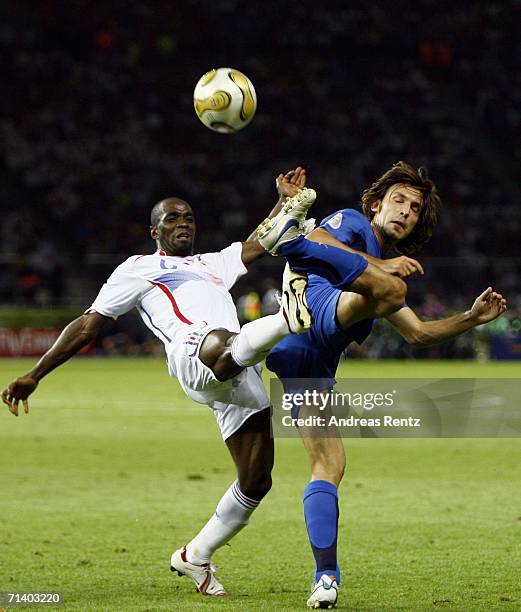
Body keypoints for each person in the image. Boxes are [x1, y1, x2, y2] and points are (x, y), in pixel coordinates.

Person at [1, 168, 321, 598]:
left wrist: (285, 201)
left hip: (237, 371)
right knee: (221, 343)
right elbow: (87, 325)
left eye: (187, 217)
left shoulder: (213, 264)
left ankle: (195, 556)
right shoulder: (138, 269)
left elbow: (261, 241)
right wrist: (35, 373)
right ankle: (287, 317)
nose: (182, 223)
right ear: (155, 230)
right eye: (172, 219)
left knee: (257, 479)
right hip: (193, 354)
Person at [263, 161, 508, 609]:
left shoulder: (377, 277)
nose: (406, 211)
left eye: (415, 208)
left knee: (329, 466)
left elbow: (419, 334)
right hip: (315, 309)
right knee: (390, 287)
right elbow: (316, 240)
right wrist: (383, 264)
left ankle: (325, 578)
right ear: (376, 203)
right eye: (398, 200)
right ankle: (280, 240)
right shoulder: (355, 225)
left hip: (311, 361)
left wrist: (471, 319)